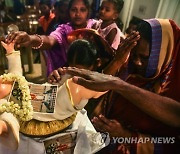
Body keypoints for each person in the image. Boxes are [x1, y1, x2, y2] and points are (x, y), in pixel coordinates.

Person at [50, 19, 180, 154]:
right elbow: (98, 93)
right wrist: (63, 78)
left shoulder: (173, 87)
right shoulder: (129, 71)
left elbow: (171, 143)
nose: (137, 62)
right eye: (134, 55)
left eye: (144, 57)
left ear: (165, 52)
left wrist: (127, 136)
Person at [0, 40, 106, 152]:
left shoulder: (8, 81)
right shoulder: (5, 105)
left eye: (79, 68)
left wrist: (12, 54)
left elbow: (15, 74)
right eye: (73, 67)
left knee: (74, 86)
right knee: (74, 88)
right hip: (48, 106)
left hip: (49, 96)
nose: (75, 71)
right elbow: (9, 121)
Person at [6, 0, 97, 76]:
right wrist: (30, 39)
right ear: (68, 12)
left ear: (88, 11)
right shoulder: (63, 30)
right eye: (74, 10)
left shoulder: (96, 26)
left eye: (82, 10)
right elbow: (50, 40)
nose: (78, 14)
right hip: (69, 76)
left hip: (94, 76)